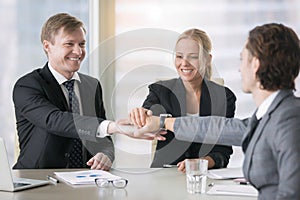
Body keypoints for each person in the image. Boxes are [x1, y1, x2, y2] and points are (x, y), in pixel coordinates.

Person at [120, 23, 300, 199]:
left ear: (255, 65)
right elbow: (220, 128)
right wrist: (155, 121)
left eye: (241, 59)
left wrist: (164, 122)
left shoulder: (289, 119)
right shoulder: (271, 116)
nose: (239, 68)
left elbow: (291, 192)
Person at [12, 13, 118, 170]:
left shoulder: (92, 85)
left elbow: (103, 139)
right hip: (37, 181)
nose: (78, 52)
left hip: (84, 181)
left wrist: (106, 154)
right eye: (69, 44)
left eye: (82, 44)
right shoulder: (27, 86)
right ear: (47, 46)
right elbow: (55, 120)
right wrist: (112, 126)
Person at [129, 28, 236, 169]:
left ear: (207, 60)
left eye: (193, 57)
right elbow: (148, 116)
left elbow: (223, 152)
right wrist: (141, 115)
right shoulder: (160, 91)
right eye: (179, 56)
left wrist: (200, 164)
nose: (184, 63)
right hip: (164, 175)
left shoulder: (224, 97)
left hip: (203, 176)